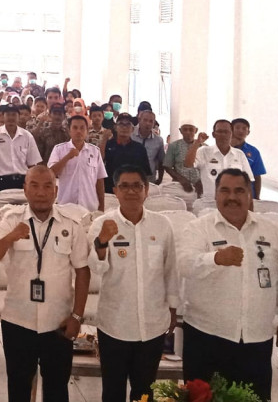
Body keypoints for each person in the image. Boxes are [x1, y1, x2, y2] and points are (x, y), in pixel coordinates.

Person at [177, 169, 278, 399]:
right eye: (225, 190)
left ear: (249, 194)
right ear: (215, 195)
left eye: (239, 191)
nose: (232, 197)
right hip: (207, 336)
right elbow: (184, 264)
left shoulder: (270, 231)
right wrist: (215, 258)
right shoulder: (198, 228)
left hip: (256, 337)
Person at [0, 165, 90, 402]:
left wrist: (77, 316)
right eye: (34, 186)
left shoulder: (70, 224)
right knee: (18, 388)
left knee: (57, 390)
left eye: (47, 186)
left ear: (56, 191)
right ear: (25, 190)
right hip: (18, 320)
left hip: (58, 323)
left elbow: (83, 271)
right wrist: (11, 236)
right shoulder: (12, 220)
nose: (41, 192)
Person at [89, 165, 179, 402]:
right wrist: (101, 242)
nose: (131, 191)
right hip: (114, 324)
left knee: (144, 391)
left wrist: (173, 307)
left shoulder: (162, 225)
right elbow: (96, 269)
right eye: (125, 186)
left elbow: (171, 268)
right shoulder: (102, 224)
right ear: (115, 191)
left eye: (137, 186)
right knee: (113, 391)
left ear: (146, 190)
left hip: (152, 324)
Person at [0, 105, 41, 205]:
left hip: (22, 181)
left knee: (24, 212)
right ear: (2, 117)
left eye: (14, 114)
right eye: (8, 115)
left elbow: (32, 164)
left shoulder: (27, 136)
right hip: (0, 182)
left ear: (18, 117)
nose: (11, 117)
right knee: (1, 214)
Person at [48, 115, 107, 212]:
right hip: (65, 206)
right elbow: (51, 173)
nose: (78, 131)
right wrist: (68, 157)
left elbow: (100, 180)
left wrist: (101, 207)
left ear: (87, 131)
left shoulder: (95, 151)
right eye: (75, 128)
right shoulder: (59, 149)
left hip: (89, 206)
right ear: (69, 130)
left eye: (82, 128)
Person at [183, 120, 253, 201]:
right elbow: (188, 164)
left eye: (226, 132)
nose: (223, 135)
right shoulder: (204, 151)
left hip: (233, 202)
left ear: (231, 134)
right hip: (209, 203)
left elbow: (248, 181)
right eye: (219, 131)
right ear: (213, 134)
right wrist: (197, 143)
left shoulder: (239, 154)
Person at [101, 113, 151, 194]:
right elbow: (99, 162)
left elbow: (145, 173)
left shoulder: (139, 148)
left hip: (133, 190)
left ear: (133, 129)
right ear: (115, 127)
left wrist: (145, 192)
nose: (124, 128)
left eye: (128, 125)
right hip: (110, 190)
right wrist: (104, 139)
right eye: (121, 124)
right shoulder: (108, 145)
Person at [162, 120, 203, 196]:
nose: (188, 132)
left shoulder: (203, 147)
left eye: (191, 129)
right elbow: (167, 167)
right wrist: (181, 180)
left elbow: (206, 167)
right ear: (180, 131)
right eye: (185, 129)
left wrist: (202, 180)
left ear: (196, 130)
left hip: (199, 187)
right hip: (179, 186)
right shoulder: (173, 146)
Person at [230, 118, 266, 198]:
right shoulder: (223, 149)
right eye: (237, 128)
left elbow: (257, 176)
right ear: (231, 129)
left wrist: (257, 197)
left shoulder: (254, 151)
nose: (241, 131)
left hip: (246, 193)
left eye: (244, 128)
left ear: (248, 132)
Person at [130, 109, 165, 184]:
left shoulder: (158, 140)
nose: (148, 123)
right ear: (139, 120)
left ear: (154, 123)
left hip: (149, 179)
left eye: (151, 121)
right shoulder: (130, 136)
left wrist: (160, 179)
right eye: (145, 120)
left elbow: (161, 161)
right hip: (130, 177)